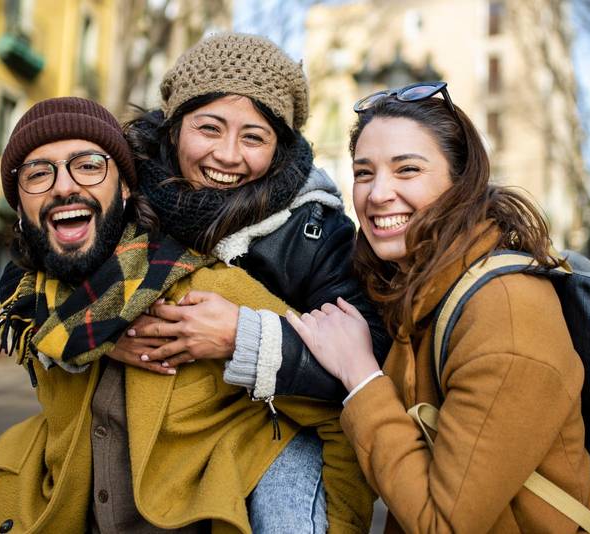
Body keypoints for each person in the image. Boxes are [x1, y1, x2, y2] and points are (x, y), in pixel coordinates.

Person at [0, 97, 373, 533]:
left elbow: (342, 412)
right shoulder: (37, 307)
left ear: (123, 188)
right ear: (20, 206)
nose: (63, 186)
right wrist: (102, 337)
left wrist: (338, 526)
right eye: (38, 174)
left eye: (88, 165)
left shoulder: (208, 291)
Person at [286, 82, 590, 532]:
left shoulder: (505, 316)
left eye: (407, 169)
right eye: (364, 172)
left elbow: (443, 524)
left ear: (461, 181)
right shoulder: (418, 289)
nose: (377, 195)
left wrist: (360, 376)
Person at [116, 33, 390, 530]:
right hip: (139, 449)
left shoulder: (315, 230)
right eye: (209, 128)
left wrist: (241, 335)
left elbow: (368, 352)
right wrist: (104, 332)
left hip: (266, 447)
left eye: (253, 137)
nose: (228, 155)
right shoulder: (122, 190)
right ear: (175, 127)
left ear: (280, 146)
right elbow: (33, 271)